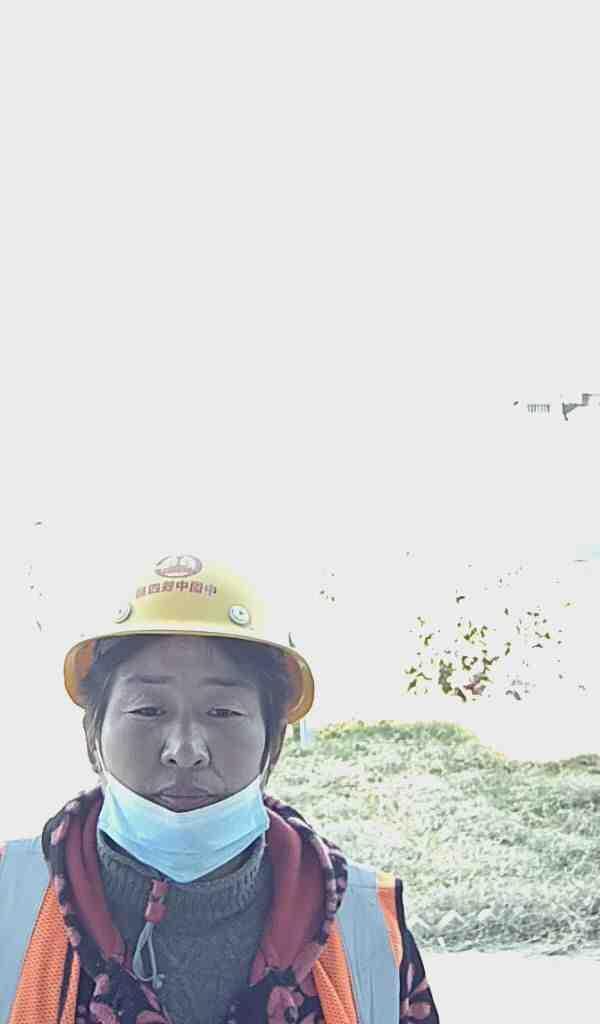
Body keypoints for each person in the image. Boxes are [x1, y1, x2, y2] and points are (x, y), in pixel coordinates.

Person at [0, 554, 440, 1024]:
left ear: (274, 741)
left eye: (223, 712)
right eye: (148, 710)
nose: (184, 751)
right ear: (93, 736)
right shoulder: (9, 897)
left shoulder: (367, 924)